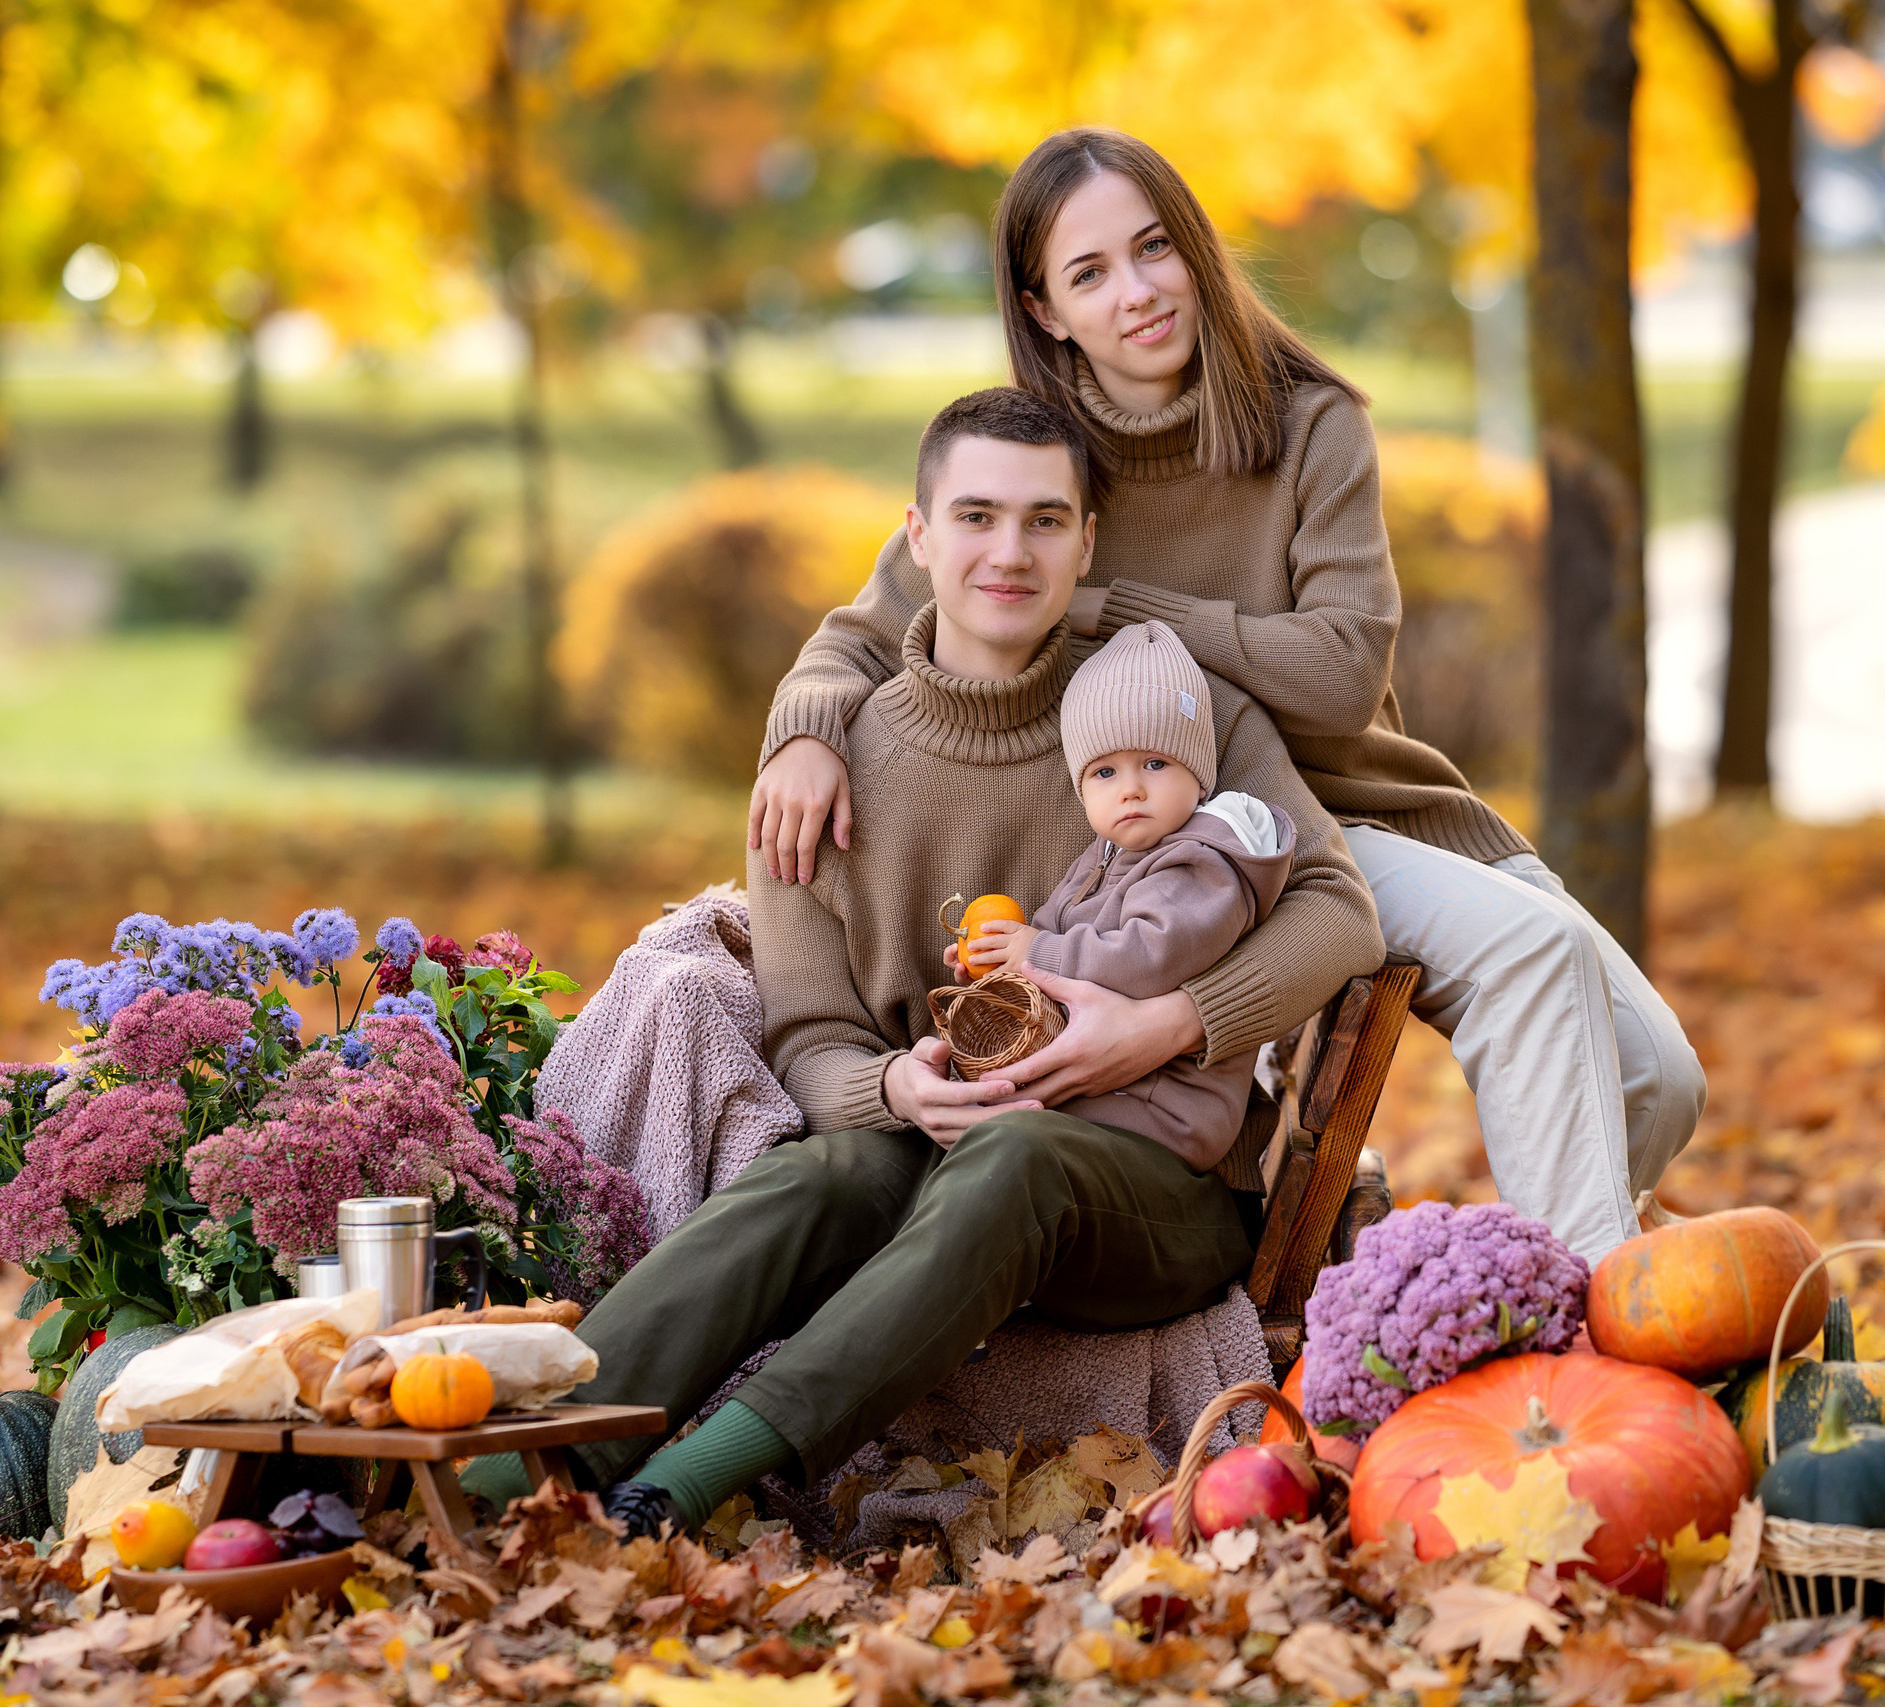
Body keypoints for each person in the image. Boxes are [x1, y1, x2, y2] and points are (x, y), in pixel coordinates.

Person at [750, 128, 1704, 1260]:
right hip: (1203, 836)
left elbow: (1341, 681)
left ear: (1195, 248)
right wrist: (802, 734)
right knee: (1532, 958)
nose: (1137, 292)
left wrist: (1117, 605)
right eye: (1089, 273)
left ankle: (1567, 1274)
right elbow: (861, 631)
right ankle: (1574, 1325)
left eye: (1154, 248)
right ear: (1045, 310)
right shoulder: (1039, 463)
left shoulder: (1310, 426)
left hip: (1356, 806)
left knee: (1663, 1077)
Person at [465, 386, 1379, 1536]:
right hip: (928, 1144)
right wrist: (895, 1088)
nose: (1011, 552)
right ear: (918, 537)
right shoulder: (820, 767)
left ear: (1087, 543)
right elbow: (810, 1036)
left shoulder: (1169, 713)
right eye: (977, 516)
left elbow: (1340, 912)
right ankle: (508, 1479)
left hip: (1155, 1189)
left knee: (1016, 1161)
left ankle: (688, 1486)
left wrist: (1170, 1022)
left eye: (1046, 521)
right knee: (819, 1177)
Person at [959, 620, 1295, 1169]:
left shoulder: (1203, 864)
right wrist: (1000, 961)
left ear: (1199, 776)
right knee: (976, 1126)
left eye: (1155, 764)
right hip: (1110, 1087)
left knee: (996, 1139)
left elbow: (1148, 958)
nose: (1131, 789)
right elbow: (1051, 928)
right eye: (1105, 772)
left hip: (1163, 1107)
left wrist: (1037, 954)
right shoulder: (1104, 854)